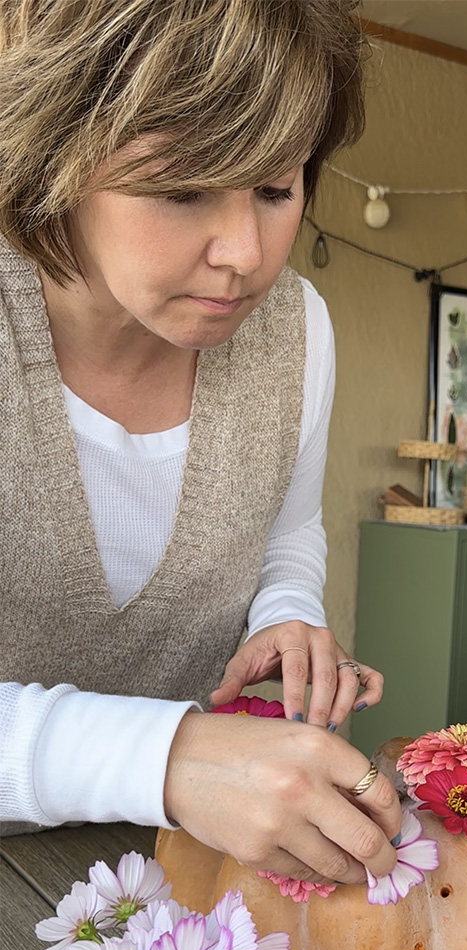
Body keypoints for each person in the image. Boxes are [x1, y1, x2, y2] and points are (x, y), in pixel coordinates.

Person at [0, 0, 402, 885]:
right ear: (54, 157)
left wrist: (288, 612)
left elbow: (286, 528)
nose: (244, 254)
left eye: (275, 188)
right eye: (182, 189)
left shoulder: (297, 330)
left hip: (183, 870)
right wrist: (171, 758)